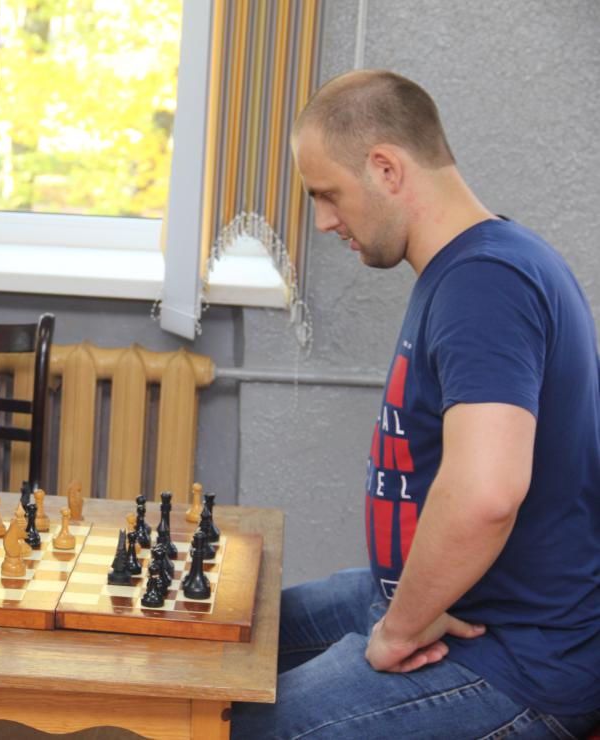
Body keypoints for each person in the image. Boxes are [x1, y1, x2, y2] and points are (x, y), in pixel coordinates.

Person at [233, 71, 600, 738]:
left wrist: (398, 632)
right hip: (444, 605)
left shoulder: (485, 283)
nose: (324, 221)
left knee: (238, 728)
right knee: (232, 634)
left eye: (327, 194)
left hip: (511, 656)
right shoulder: (476, 265)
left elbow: (487, 494)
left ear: (386, 168)